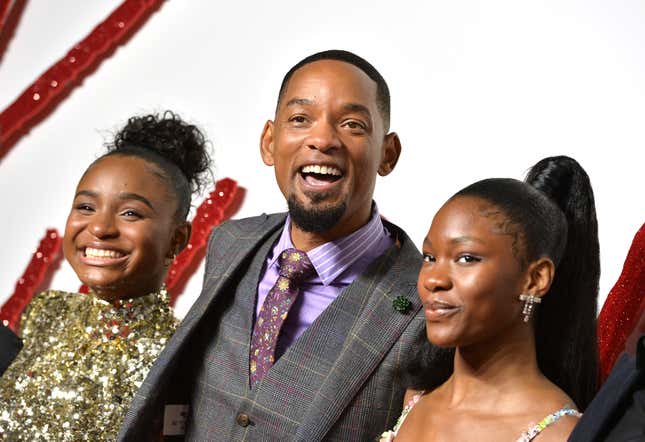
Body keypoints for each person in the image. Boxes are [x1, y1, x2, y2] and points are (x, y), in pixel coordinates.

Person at [119, 50, 434, 441]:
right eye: (300, 119)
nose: (322, 139)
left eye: (352, 124)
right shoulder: (230, 243)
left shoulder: (425, 302)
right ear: (270, 142)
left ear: (387, 154)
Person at [0, 111, 211, 440]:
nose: (99, 227)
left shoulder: (180, 357)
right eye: (86, 207)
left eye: (131, 213)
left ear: (177, 239)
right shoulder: (46, 313)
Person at [381, 156, 600, 441]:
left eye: (466, 258)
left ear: (535, 280)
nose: (434, 280)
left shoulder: (560, 435)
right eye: (430, 257)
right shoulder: (414, 399)